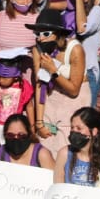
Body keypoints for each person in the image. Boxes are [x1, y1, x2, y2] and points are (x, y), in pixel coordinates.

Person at [30, 9, 88, 156]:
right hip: (51, 100)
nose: (40, 38)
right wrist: (39, 123)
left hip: (74, 102)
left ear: (58, 33)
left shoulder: (75, 49)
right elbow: (39, 86)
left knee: (66, 151)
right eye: (37, 34)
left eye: (46, 34)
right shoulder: (38, 50)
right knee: (45, 149)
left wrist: (54, 71)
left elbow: (74, 89)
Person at [0, 55, 35, 162]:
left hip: (12, 130)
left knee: (11, 159)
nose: (1, 79)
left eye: (4, 77)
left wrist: (32, 126)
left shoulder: (24, 87)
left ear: (15, 76)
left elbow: (29, 107)